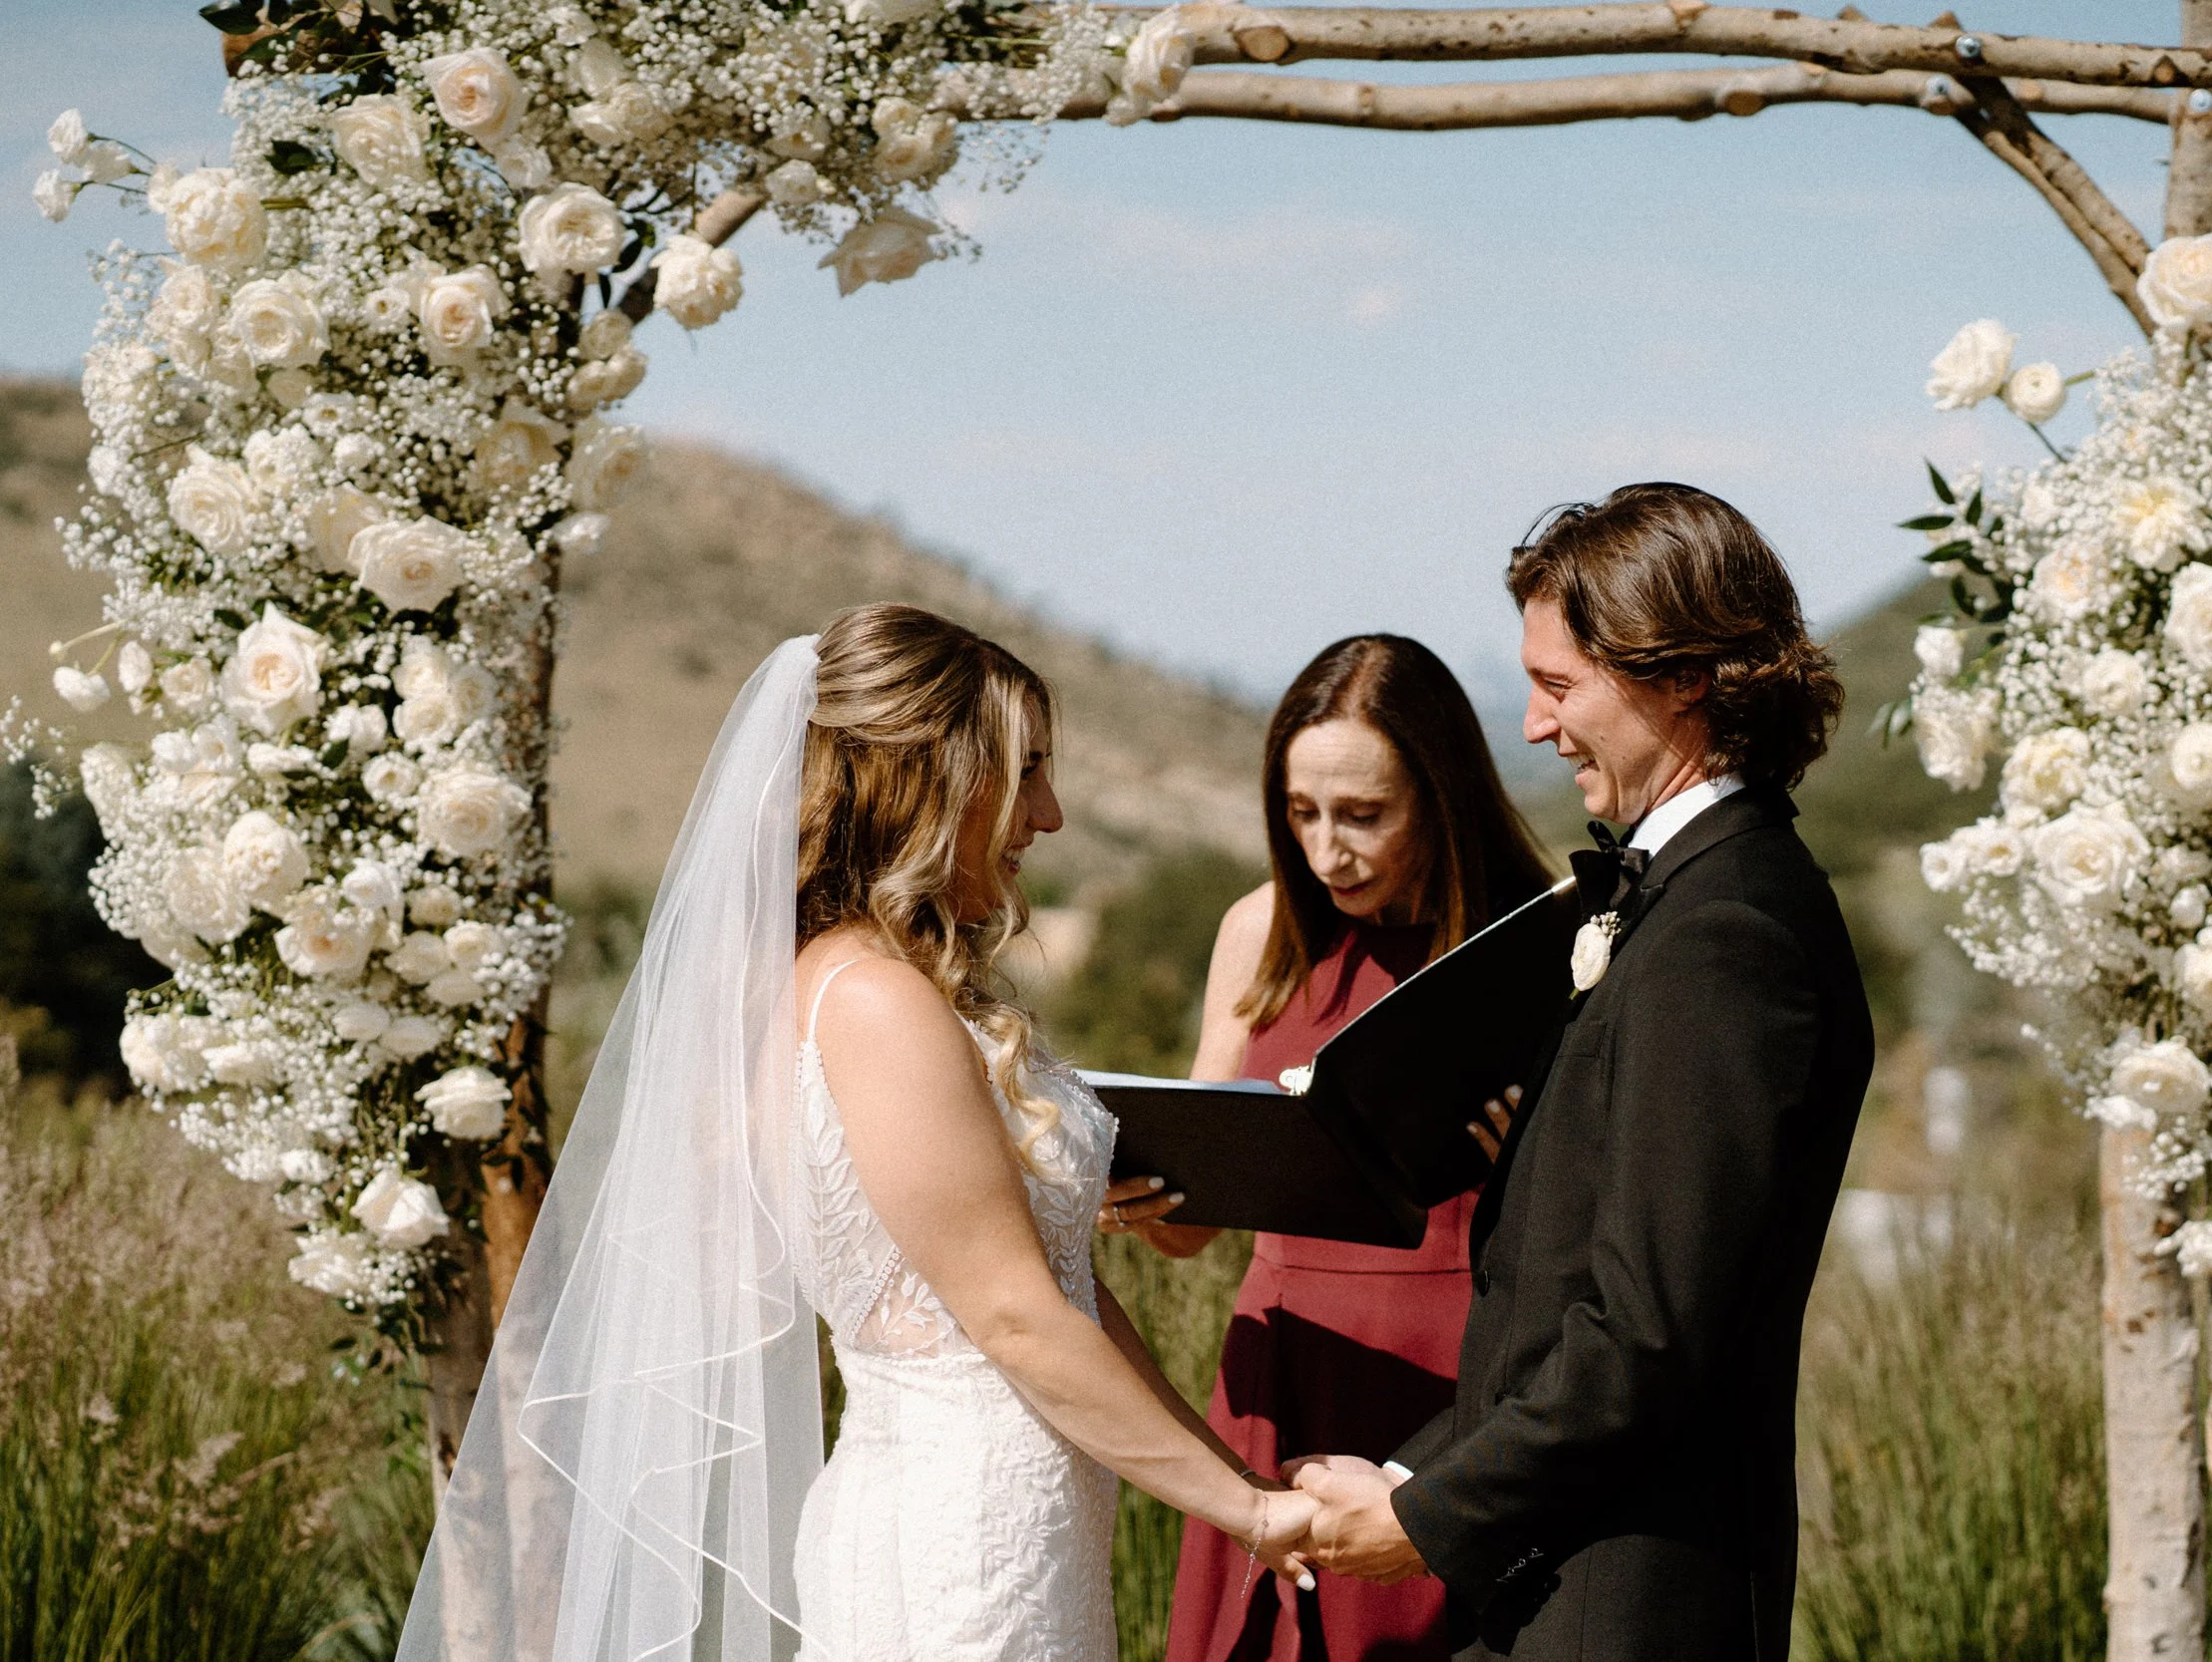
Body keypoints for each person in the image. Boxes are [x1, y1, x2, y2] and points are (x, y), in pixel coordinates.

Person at [398, 605, 1314, 1662]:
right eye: (1029, 770)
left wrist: (1238, 1489)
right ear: (931, 781)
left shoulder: (852, 987)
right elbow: (1015, 1316)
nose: (1050, 814)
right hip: (962, 1543)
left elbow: (1058, 1292)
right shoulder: (876, 1002)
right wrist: (1245, 1515)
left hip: (1007, 1521)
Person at [1288, 485, 1875, 1662]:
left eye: (1559, 687)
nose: (1534, 726)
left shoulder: (1727, 934)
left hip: (1628, 1595)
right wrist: (1407, 1464)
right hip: (1561, 1574)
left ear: (1683, 674)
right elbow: (1557, 1299)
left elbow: (1648, 1330)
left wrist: (1421, 1518)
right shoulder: (1681, 900)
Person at [1097, 634, 1551, 1662]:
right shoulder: (1258, 927)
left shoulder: (1527, 941)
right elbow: (1193, 1232)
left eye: (1362, 814)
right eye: (1300, 812)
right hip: (1278, 1353)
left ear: (1440, 796)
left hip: (1447, 1372)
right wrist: (1145, 1186)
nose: (1325, 849)